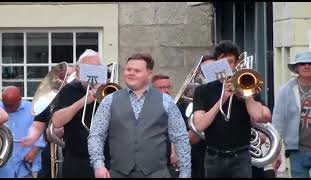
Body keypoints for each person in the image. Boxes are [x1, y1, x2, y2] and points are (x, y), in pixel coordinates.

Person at [88, 53, 191, 178]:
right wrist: (98, 165)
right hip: (118, 174)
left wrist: (185, 173)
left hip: (157, 174)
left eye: (137, 70)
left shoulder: (166, 101)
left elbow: (180, 137)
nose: (131, 73)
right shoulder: (109, 100)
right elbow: (96, 135)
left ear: (149, 74)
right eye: (128, 69)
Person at [192, 40, 271, 178]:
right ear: (215, 64)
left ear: (236, 64)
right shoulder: (202, 91)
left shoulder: (247, 85)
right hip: (213, 157)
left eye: (230, 62)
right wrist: (222, 99)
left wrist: (246, 95)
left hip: (240, 157)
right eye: (222, 62)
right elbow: (199, 125)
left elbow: (260, 117)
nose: (227, 66)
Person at [51, 49, 110, 178]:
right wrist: (83, 101)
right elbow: (57, 121)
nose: (93, 74)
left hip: (106, 160)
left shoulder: (109, 90)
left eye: (97, 68)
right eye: (88, 69)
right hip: (77, 160)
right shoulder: (69, 90)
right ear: (78, 73)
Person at [20, 64, 77, 178]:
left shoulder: (82, 99)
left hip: (74, 156)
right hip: (51, 158)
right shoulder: (49, 101)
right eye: (62, 76)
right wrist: (30, 137)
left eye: (70, 76)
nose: (65, 79)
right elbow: (37, 126)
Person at [272, 51, 311, 178]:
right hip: (297, 151)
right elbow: (278, 122)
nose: (306, 66)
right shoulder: (286, 90)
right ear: (296, 68)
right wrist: (276, 153)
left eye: (310, 63)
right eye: (302, 64)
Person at [0, 86, 46, 178]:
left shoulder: (32, 109)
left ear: (20, 99)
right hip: (5, 167)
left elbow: (41, 132)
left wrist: (34, 151)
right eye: (6, 105)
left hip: (27, 164)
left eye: (12, 106)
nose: (9, 109)